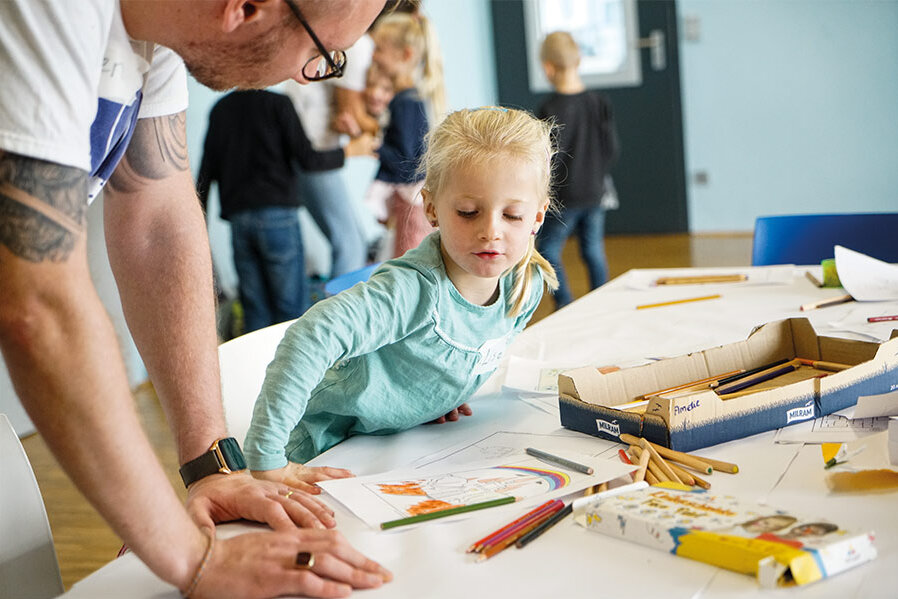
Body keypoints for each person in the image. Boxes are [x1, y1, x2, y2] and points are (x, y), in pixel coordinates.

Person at [0, 1, 394, 598]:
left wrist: (212, 465)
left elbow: (156, 214)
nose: (304, 75)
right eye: (319, 55)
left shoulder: (153, 31)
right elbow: (37, 305)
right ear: (247, 8)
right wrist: (195, 560)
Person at [242, 107, 559, 488]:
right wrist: (266, 460)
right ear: (431, 208)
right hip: (316, 451)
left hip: (396, 446)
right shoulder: (411, 291)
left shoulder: (528, 284)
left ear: (537, 218)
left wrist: (441, 393)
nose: (491, 231)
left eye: (512, 215)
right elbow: (310, 336)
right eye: (468, 212)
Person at [197, 90, 376, 333]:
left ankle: (258, 370)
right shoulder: (278, 104)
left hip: (239, 223)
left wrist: (200, 229)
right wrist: (349, 151)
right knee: (291, 311)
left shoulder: (221, 109)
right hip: (278, 219)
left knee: (255, 312)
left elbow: (206, 175)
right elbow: (308, 160)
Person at [536, 31, 620, 309]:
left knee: (546, 251)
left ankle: (565, 305)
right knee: (593, 250)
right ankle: (603, 303)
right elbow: (611, 149)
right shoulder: (599, 103)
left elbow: (547, 161)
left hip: (565, 198)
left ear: (548, 67)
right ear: (579, 60)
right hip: (595, 192)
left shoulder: (549, 109)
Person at [281, 34, 374, 280]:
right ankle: (340, 317)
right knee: (350, 245)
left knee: (354, 241)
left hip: (309, 148)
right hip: (316, 152)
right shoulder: (360, 44)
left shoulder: (341, 36)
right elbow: (349, 112)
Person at [366, 11, 447, 259]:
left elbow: (407, 163)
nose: (374, 55)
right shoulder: (405, 99)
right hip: (409, 199)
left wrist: (374, 146)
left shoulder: (406, 102)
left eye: (379, 49)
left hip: (412, 200)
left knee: (409, 261)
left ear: (406, 55)